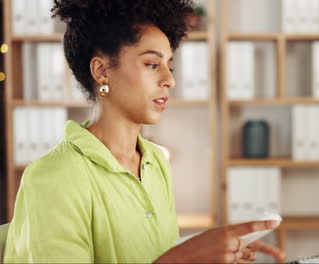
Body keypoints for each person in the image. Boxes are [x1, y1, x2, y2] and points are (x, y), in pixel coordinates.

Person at [3, 0, 284, 263]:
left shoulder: (155, 161)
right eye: (152, 64)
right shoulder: (53, 177)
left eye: (169, 66)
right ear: (102, 71)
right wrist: (184, 258)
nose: (170, 80)